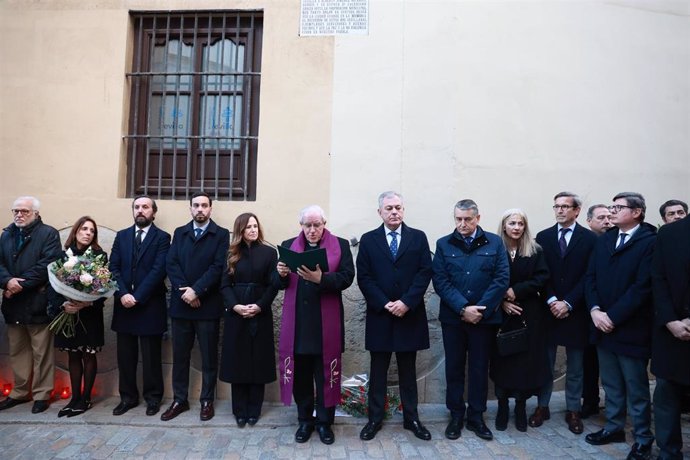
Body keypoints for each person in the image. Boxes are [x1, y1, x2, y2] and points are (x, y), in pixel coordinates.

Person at [357, 192, 433, 441]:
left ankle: (412, 418)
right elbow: (364, 277)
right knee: (378, 371)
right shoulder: (369, 240)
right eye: (389, 208)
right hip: (381, 315)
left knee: (407, 370)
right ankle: (374, 419)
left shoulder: (418, 237)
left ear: (404, 209)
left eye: (398, 207)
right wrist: (385, 303)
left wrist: (406, 302)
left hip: (409, 315)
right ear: (379, 212)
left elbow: (424, 272)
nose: (394, 212)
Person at [585, 192, 656, 460]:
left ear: (637, 212)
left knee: (636, 388)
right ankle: (614, 428)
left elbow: (642, 288)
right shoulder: (605, 240)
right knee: (611, 383)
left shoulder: (649, 242)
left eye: (618, 207)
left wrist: (612, 317)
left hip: (630, 328)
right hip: (601, 323)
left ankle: (642, 439)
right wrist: (594, 310)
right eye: (611, 206)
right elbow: (590, 277)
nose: (611, 211)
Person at [432, 199, 510, 441]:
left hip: (484, 320)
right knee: (454, 368)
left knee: (479, 369)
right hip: (454, 319)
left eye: (467, 219)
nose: (462, 224)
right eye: (458, 219)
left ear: (478, 218)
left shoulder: (495, 243)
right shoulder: (444, 244)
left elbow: (501, 278)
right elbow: (440, 281)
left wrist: (481, 310)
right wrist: (463, 308)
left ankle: (476, 417)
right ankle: (456, 415)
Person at [276, 205, 354, 445]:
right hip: (298, 324)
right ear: (301, 225)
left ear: (324, 224)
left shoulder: (340, 245)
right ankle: (304, 421)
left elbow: (347, 277)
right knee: (301, 376)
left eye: (316, 225)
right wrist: (279, 273)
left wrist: (322, 279)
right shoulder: (289, 245)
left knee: (325, 377)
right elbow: (278, 284)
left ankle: (324, 423)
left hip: (325, 326)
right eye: (307, 225)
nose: (312, 230)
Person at [532, 192, 597, 434]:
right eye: (557, 206)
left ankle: (573, 410)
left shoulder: (590, 240)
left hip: (575, 312)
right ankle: (542, 405)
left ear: (577, 211)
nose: (560, 210)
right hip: (548, 311)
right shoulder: (544, 237)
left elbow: (590, 276)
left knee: (576, 366)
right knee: (545, 362)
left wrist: (568, 302)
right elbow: (541, 273)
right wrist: (551, 300)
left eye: (565, 207)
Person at [163, 191, 229, 422]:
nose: (200, 209)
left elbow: (218, 266)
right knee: (180, 356)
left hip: (208, 306)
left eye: (204, 205)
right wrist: (186, 291)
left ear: (211, 209)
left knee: (209, 357)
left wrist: (197, 290)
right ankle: (180, 400)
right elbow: (171, 263)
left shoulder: (221, 235)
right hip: (182, 306)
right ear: (190, 208)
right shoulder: (179, 233)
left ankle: (207, 400)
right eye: (196, 205)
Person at [490, 209, 550, 432]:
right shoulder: (494, 249)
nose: (516, 227)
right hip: (501, 314)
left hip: (528, 314)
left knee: (525, 364)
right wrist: (502, 301)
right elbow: (487, 278)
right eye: (512, 223)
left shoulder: (534, 250)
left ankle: (520, 407)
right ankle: (503, 407)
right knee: (502, 362)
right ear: (504, 225)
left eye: (520, 223)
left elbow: (542, 277)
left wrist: (517, 290)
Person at [110, 195, 170, 417]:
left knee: (151, 356)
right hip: (123, 304)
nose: (140, 210)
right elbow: (113, 267)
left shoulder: (163, 237)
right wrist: (124, 293)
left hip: (150, 304)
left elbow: (159, 269)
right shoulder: (121, 236)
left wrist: (138, 296)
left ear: (154, 212)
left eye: (145, 207)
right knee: (125, 356)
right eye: (137, 207)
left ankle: (153, 398)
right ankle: (127, 397)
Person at [0, 196, 61, 414]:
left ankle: (42, 394)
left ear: (35, 213)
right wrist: (7, 281)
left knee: (41, 352)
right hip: (13, 303)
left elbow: (48, 265)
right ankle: (19, 392)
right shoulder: (6, 235)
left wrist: (19, 284)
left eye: (24, 211)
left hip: (37, 302)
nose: (19, 214)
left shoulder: (49, 234)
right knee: (18, 351)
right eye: (15, 211)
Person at [219, 213, 278, 428]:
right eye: (248, 227)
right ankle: (239, 411)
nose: (253, 230)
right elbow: (224, 285)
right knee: (239, 362)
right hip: (236, 314)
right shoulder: (230, 254)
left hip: (260, 313)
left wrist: (260, 305)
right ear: (240, 230)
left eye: (255, 226)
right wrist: (235, 306)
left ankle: (254, 409)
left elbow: (273, 285)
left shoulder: (270, 253)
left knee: (258, 362)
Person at [48, 217, 107, 417]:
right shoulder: (63, 256)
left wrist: (88, 302)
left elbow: (104, 287)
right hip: (69, 313)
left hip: (90, 314)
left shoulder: (100, 257)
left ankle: (86, 398)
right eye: (84, 229)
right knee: (73, 354)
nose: (88, 233)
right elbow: (53, 287)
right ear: (76, 231)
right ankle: (74, 398)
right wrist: (64, 304)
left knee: (88, 354)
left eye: (92, 230)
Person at [651, 215, 690, 460]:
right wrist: (670, 320)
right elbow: (658, 278)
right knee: (666, 394)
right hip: (671, 330)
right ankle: (668, 450)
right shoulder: (669, 233)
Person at [582, 203, 611, 418]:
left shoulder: (615, 242)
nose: (607, 221)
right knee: (589, 361)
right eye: (601, 218)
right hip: (587, 311)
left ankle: (615, 405)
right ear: (589, 221)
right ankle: (589, 402)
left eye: (609, 217)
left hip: (613, 313)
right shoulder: (586, 242)